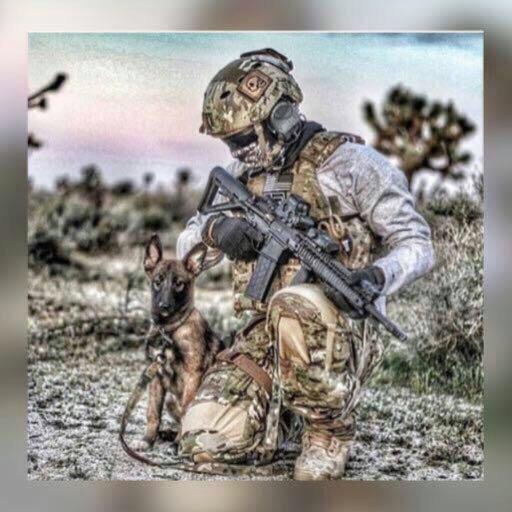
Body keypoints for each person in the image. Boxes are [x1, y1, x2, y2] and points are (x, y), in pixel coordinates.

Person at [175, 48, 435, 480]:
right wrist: (216, 231)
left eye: (243, 138)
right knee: (204, 441)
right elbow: (187, 242)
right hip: (264, 335)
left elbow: (418, 243)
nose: (238, 151)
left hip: (340, 336)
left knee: (294, 303)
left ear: (279, 117)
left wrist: (378, 276)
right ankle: (285, 415)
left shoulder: (351, 165)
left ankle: (329, 430)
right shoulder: (240, 176)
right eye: (230, 142)